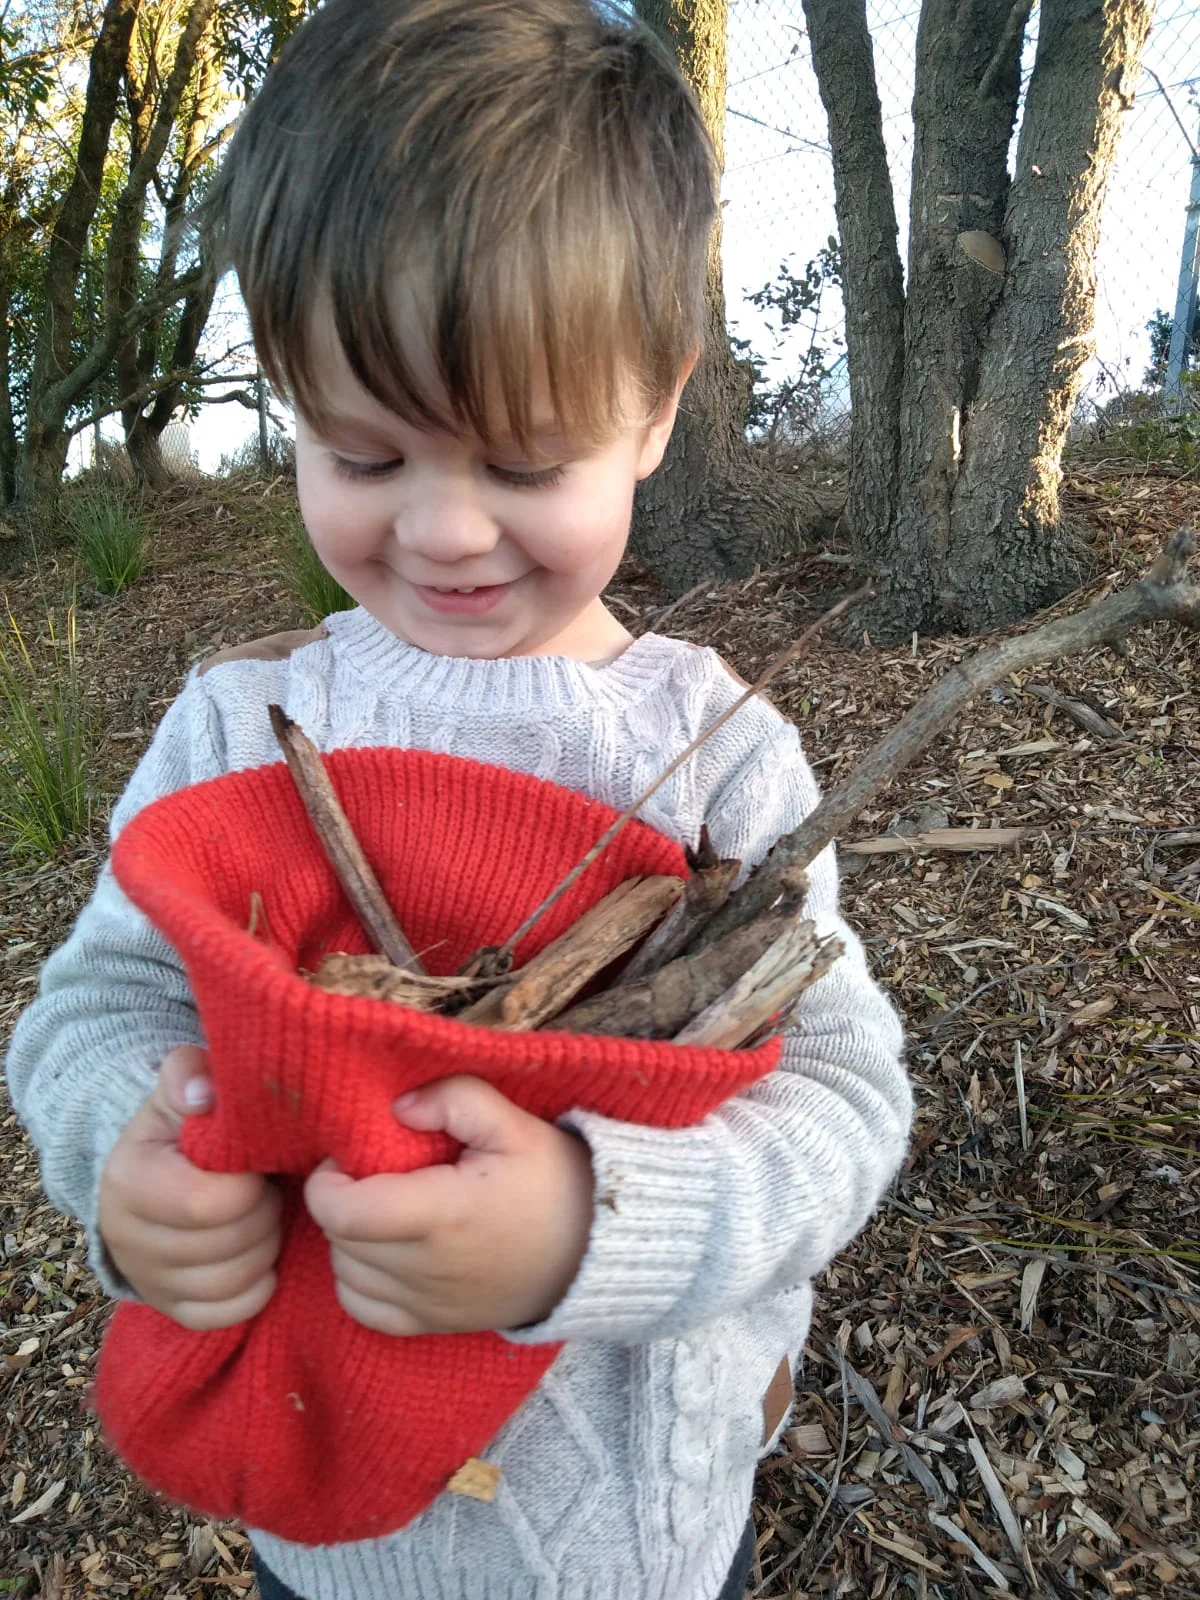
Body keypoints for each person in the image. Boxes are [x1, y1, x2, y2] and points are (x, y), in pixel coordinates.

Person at [5, 1, 912, 1595]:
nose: (441, 531)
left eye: (521, 461)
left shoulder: (721, 753)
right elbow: (95, 1010)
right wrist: (128, 1165)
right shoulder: (244, 725)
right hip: (334, 1534)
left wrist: (590, 1223)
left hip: (641, 1530)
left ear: (656, 406)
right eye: (362, 456)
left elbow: (841, 1100)